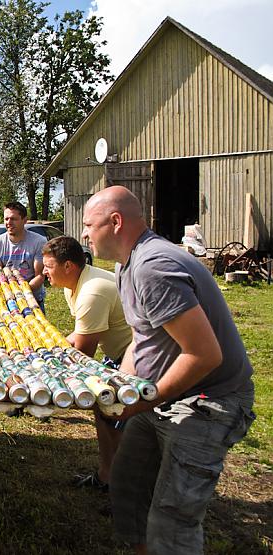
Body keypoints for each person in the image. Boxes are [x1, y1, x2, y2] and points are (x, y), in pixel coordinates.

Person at [82, 186, 255, 554]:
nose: (83, 233)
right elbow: (142, 340)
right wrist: (118, 390)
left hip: (208, 403)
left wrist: (142, 402)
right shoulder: (125, 265)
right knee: (128, 485)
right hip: (167, 397)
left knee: (172, 518)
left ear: (115, 222)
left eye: (88, 224)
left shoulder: (153, 267)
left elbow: (205, 355)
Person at [41, 236, 132, 490]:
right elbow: (79, 335)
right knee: (104, 413)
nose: (44, 271)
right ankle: (106, 476)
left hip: (134, 359)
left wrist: (46, 374)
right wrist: (50, 349)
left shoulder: (92, 292)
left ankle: (124, 487)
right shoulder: (76, 284)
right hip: (118, 355)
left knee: (122, 422)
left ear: (68, 266)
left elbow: (83, 352)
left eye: (48, 266)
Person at [0, 202, 47, 313]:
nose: (9, 223)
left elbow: (39, 276)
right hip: (9, 301)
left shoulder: (39, 242)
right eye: (6, 219)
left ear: (25, 220)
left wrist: (21, 292)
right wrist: (12, 294)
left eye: (13, 219)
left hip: (33, 300)